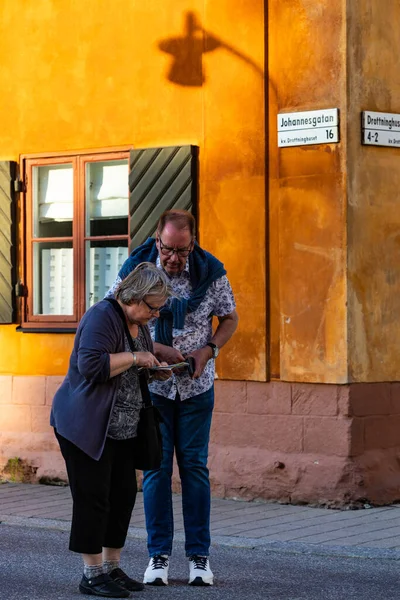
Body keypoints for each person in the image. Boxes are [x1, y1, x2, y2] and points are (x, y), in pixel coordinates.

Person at [108, 210, 239, 587]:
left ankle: (199, 558)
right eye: (168, 250)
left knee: (195, 469)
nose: (174, 259)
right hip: (153, 387)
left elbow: (229, 317)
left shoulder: (210, 272)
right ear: (157, 239)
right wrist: (157, 348)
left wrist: (209, 349)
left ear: (192, 242)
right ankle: (158, 557)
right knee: (156, 470)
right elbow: (114, 312)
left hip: (197, 387)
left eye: (182, 251)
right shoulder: (137, 266)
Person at [50, 262, 173, 598]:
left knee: (121, 497)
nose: (155, 315)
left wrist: (154, 370)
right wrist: (136, 358)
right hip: (86, 426)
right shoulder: (102, 316)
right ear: (134, 296)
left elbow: (136, 362)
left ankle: (111, 568)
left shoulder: (138, 323)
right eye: (153, 307)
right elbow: (91, 366)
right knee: (93, 499)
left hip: (123, 427)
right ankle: (91, 574)